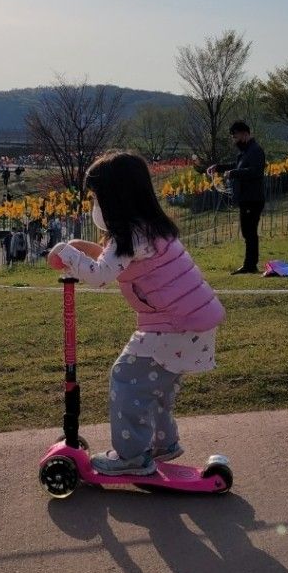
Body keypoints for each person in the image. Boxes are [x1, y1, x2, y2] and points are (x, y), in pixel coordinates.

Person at [47, 150, 225, 477]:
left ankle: (130, 456)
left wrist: (65, 252)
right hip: (190, 324)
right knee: (153, 386)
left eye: (96, 199)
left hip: (173, 325)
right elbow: (111, 260)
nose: (94, 207)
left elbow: (100, 275)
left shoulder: (129, 235)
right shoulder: (149, 228)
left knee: (126, 378)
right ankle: (161, 443)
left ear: (115, 198)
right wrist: (81, 248)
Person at [210, 120, 266, 275]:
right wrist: (219, 167)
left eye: (235, 136)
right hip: (245, 198)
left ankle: (250, 265)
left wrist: (233, 173)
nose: (234, 140)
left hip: (253, 198)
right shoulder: (244, 152)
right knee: (247, 232)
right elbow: (236, 166)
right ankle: (249, 264)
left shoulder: (256, 150)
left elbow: (255, 171)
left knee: (249, 232)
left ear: (244, 134)